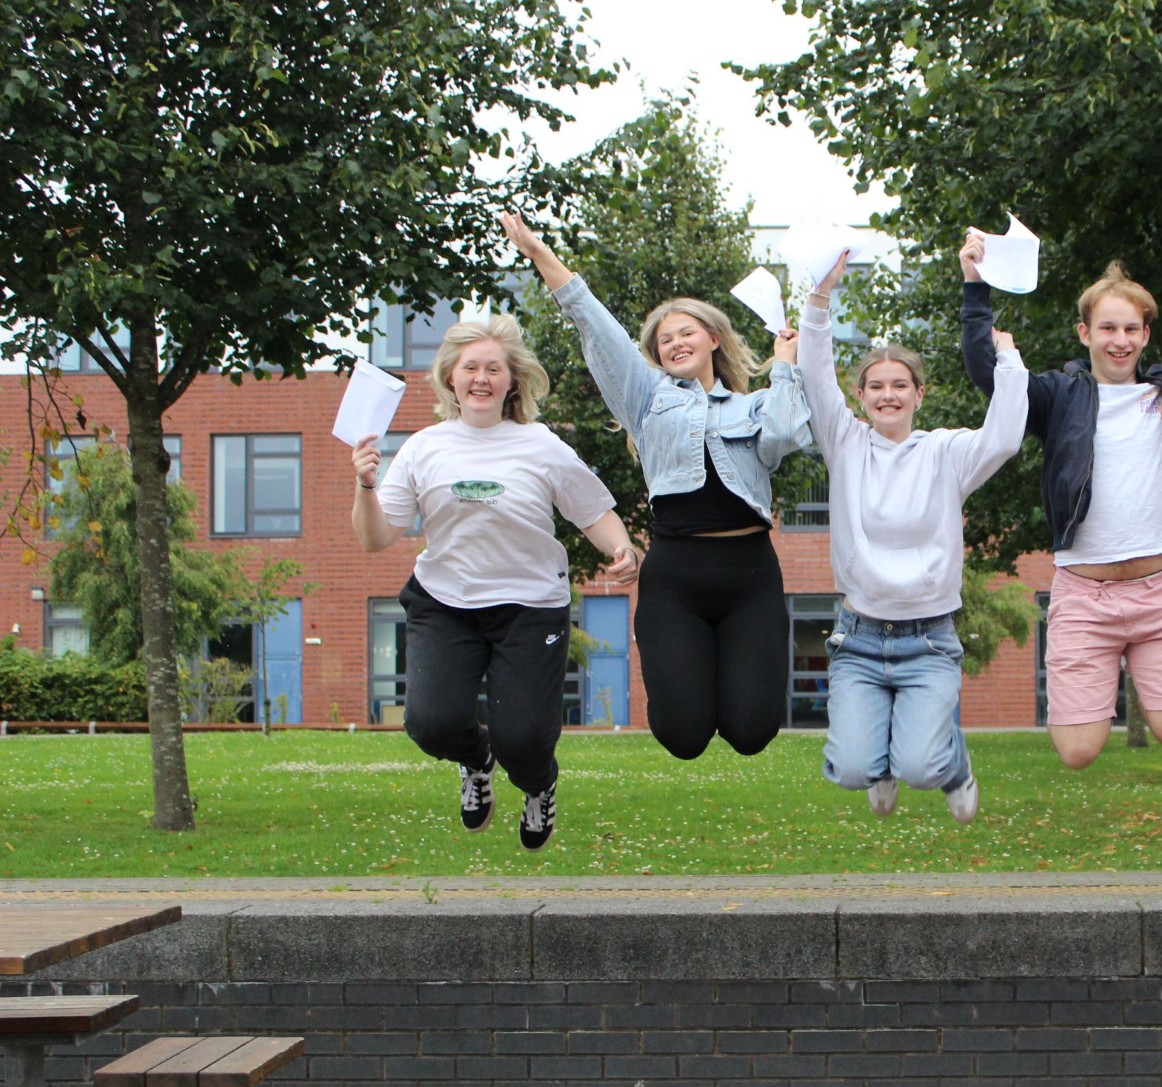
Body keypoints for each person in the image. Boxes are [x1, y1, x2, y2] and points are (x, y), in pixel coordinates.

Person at [500, 213, 813, 761]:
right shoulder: (646, 399)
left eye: (686, 332)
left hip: (750, 575)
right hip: (675, 576)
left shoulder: (756, 405)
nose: (674, 343)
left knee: (751, 731)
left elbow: (787, 434)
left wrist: (785, 364)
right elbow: (593, 324)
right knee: (683, 736)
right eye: (663, 340)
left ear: (713, 339)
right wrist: (539, 253)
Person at [960, 211, 1162, 770]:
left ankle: (1147, 664)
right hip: (1084, 598)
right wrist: (976, 289)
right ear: (1085, 333)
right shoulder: (1058, 396)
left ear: (1146, 334)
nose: (1120, 340)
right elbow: (985, 373)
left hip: (1159, 592)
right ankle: (1106, 670)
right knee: (1076, 751)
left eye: (1131, 329)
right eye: (1108, 329)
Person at [351, 312, 639, 852]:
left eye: (493, 369)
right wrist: (366, 486)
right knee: (432, 724)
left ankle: (538, 785)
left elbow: (593, 511)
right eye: (470, 368)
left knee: (526, 740)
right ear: (450, 379)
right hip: (445, 603)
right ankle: (476, 763)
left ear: (512, 382)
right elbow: (375, 539)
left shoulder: (540, 444)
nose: (481, 378)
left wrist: (621, 548)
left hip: (530, 607)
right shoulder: (422, 447)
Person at [797, 249, 1028, 821]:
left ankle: (952, 766)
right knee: (852, 770)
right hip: (858, 637)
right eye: (875, 386)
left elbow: (1002, 438)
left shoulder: (946, 453)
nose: (887, 395)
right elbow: (815, 375)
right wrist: (819, 298)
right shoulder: (845, 443)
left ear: (919, 395)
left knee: (922, 767)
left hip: (928, 640)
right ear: (861, 397)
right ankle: (875, 765)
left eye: (900, 385)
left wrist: (1009, 359)